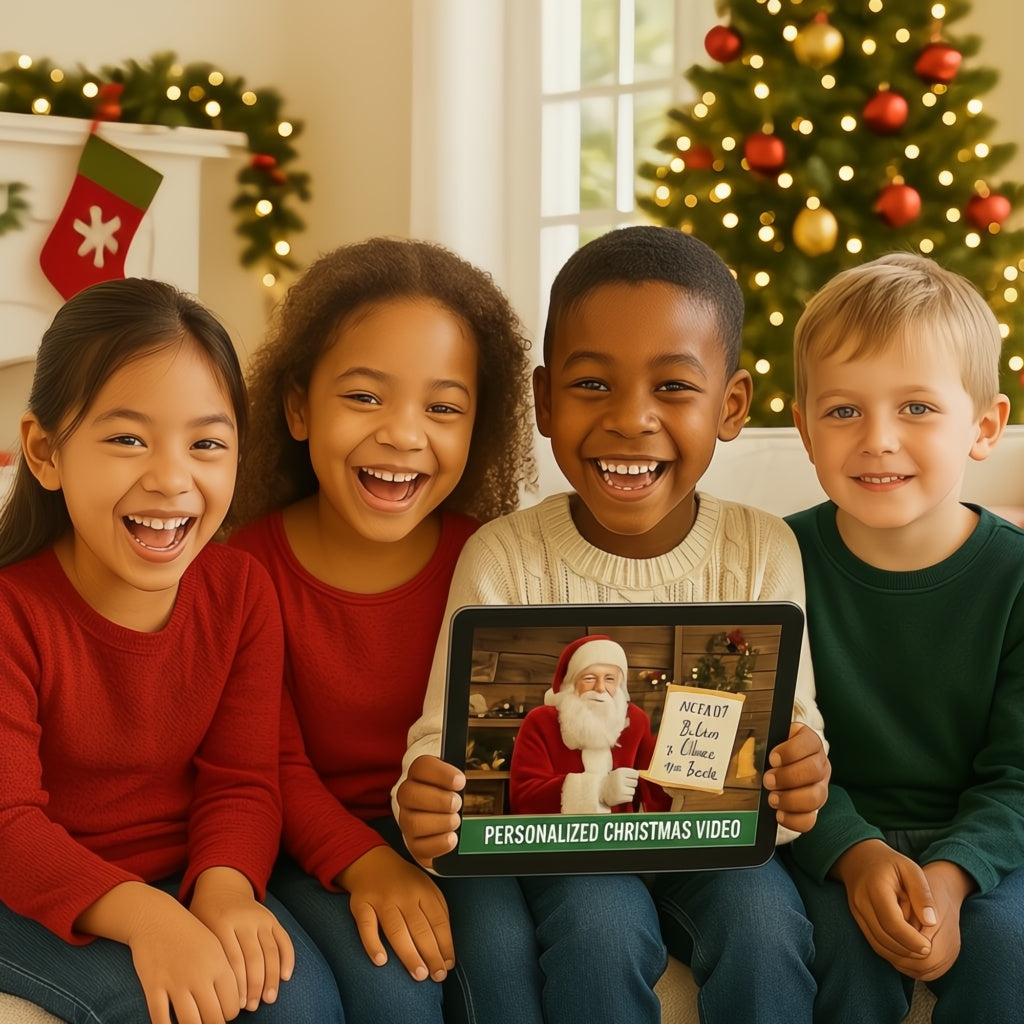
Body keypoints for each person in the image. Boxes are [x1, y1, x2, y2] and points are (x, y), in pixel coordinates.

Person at [395, 224, 831, 1024]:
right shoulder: (503, 557)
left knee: (766, 925)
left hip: (714, 847)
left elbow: (793, 723)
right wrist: (423, 800)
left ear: (731, 406)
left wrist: (800, 780)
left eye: (673, 386)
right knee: (600, 930)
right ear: (545, 401)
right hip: (571, 844)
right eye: (593, 385)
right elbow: (442, 741)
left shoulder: (762, 549)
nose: (632, 420)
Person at [0, 279, 342, 1024]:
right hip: (21, 891)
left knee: (302, 1003)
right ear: (45, 451)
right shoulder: (12, 614)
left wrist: (222, 889)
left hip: (179, 872)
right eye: (127, 438)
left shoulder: (240, 591)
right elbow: (8, 827)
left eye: (207, 444)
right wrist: (151, 921)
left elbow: (243, 780)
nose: (171, 478)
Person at [225, 237, 543, 1024]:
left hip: (452, 839)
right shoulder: (239, 569)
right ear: (299, 407)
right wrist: (365, 862)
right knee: (388, 991)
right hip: (307, 842)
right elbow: (265, 761)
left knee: (502, 958)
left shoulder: (489, 560)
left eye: (442, 407)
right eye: (365, 397)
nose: (404, 434)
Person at [785, 251, 1024, 1023]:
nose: (878, 439)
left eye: (916, 408)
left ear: (985, 427)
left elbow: (1020, 774)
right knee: (843, 960)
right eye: (844, 410)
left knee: (1007, 954)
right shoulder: (774, 565)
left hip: (987, 840)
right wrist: (853, 854)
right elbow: (770, 747)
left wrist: (954, 876)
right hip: (833, 835)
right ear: (804, 429)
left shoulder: (1016, 578)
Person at [509, 634, 671, 815]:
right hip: (558, 838)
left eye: (609, 678)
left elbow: (655, 788)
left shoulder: (636, 721)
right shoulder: (541, 721)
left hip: (619, 838)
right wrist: (599, 790)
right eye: (589, 678)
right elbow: (523, 798)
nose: (600, 687)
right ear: (571, 683)